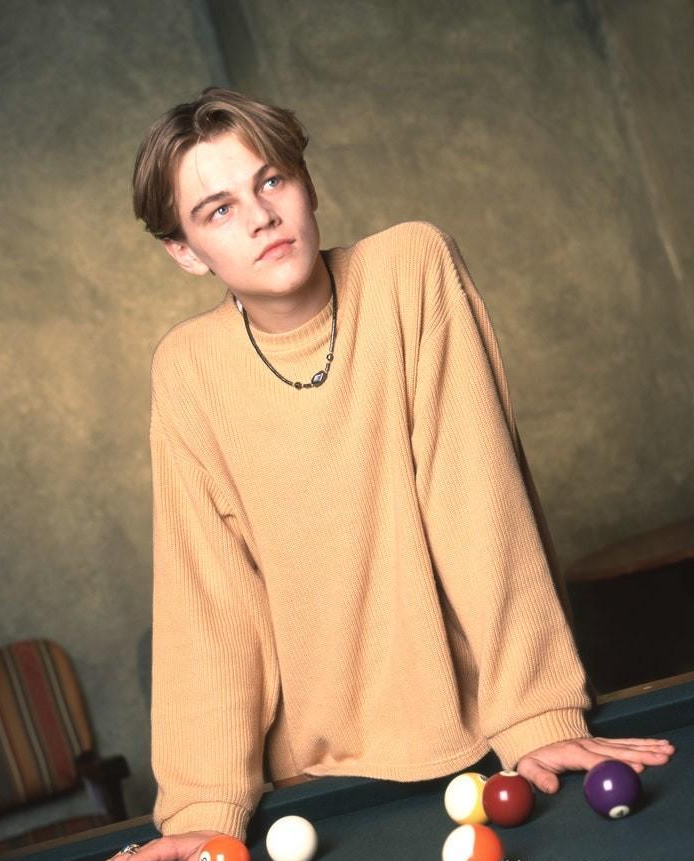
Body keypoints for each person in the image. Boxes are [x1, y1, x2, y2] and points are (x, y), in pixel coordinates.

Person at [116, 87, 674, 860]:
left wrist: (537, 715)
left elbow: (478, 501)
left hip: (477, 741)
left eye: (271, 179)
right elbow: (208, 603)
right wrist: (204, 809)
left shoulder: (410, 268)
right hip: (311, 783)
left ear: (306, 183)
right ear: (184, 250)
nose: (261, 216)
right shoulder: (187, 369)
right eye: (218, 210)